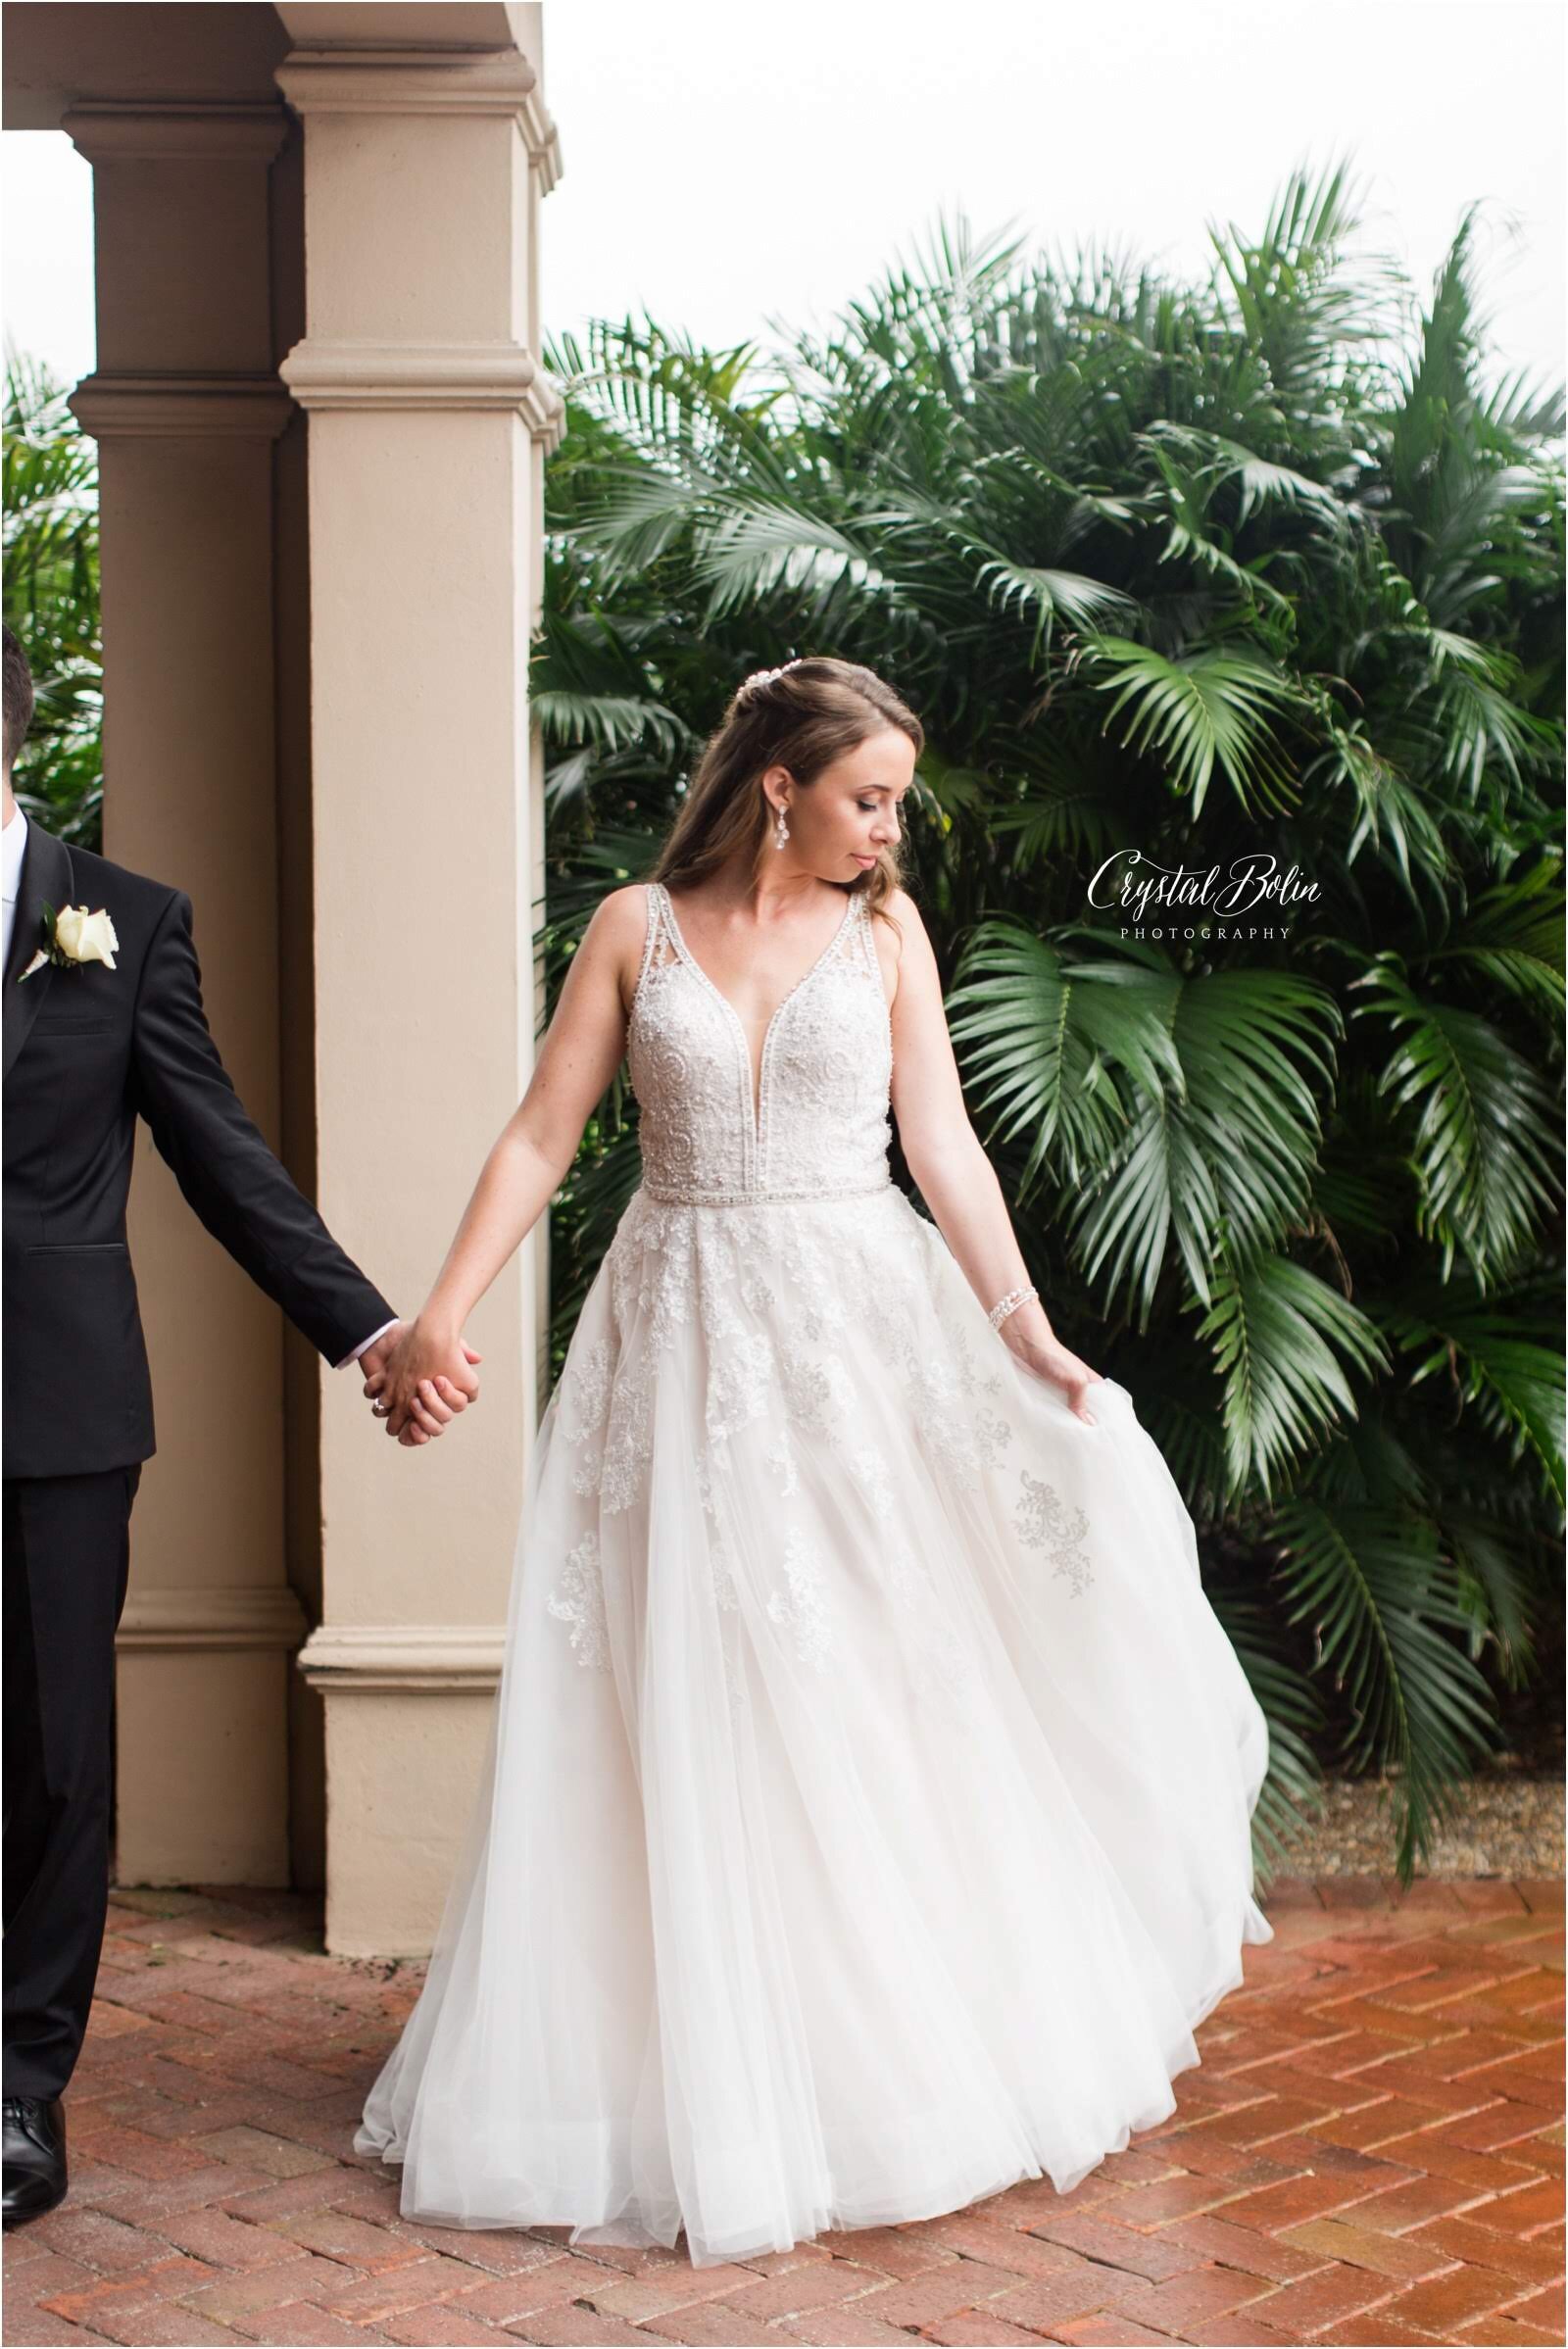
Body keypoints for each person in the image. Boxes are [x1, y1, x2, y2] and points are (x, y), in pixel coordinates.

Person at [354, 655, 1275, 2267]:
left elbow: (945, 1143)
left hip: (857, 1344)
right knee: (678, 1686)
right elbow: (539, 1134)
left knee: (864, 1675)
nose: (888, 828)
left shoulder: (889, 933)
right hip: (677, 1336)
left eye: (895, 801)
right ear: (779, 782)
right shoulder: (636, 931)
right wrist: (438, 1313)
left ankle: (883, 2064)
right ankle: (680, 2073)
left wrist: (1023, 1326)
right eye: (868, 797)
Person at [0, 623, 478, 2228]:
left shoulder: (121, 927)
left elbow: (220, 1155)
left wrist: (370, 1324)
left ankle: (18, 2090)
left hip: (51, 1401)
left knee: (55, 1752)